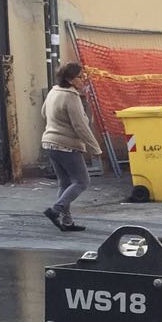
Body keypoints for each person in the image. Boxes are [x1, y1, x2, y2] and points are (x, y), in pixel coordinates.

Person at [40, 62, 101, 232]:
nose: (83, 80)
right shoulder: (71, 97)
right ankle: (55, 210)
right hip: (66, 145)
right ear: (70, 80)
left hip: (49, 142)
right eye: (80, 77)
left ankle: (67, 222)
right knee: (82, 181)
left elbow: (44, 112)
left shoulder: (54, 91)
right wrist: (95, 149)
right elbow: (80, 126)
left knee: (65, 183)